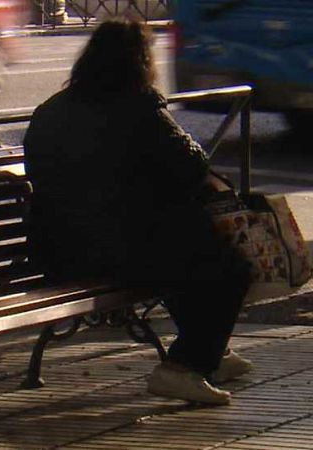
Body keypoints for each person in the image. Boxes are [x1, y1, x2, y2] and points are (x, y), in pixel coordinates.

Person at [23, 18, 253, 405]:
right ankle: (183, 366)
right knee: (230, 266)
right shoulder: (139, 106)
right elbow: (192, 164)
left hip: (60, 252)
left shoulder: (50, 111)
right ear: (139, 62)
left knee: (186, 256)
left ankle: (209, 352)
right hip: (119, 253)